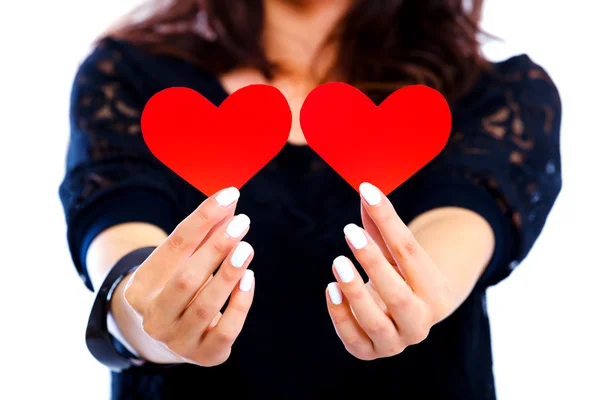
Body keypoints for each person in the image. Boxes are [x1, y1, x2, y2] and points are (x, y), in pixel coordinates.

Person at [58, 0, 562, 398]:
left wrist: (418, 294)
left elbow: (462, 222)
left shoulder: (499, 93)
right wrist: (148, 321)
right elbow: (122, 244)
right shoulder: (125, 75)